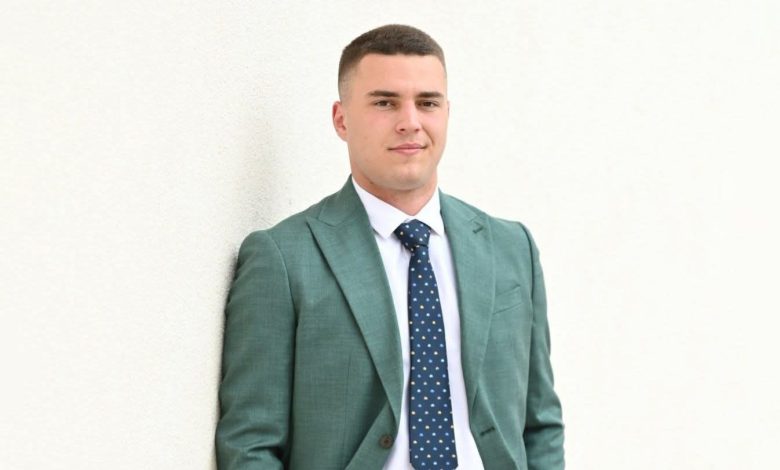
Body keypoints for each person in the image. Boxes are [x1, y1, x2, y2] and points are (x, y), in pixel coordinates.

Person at [216, 24, 564, 470]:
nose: (410, 122)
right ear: (341, 119)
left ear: (447, 113)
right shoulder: (283, 258)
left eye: (428, 103)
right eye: (385, 102)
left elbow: (540, 423)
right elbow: (250, 441)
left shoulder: (512, 249)